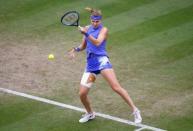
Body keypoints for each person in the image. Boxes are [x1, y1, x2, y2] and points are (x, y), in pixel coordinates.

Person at [68, 7, 142, 124]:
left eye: (97, 21)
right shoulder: (87, 28)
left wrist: (86, 33)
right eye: (93, 21)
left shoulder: (104, 30)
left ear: (100, 21)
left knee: (115, 87)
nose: (95, 23)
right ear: (91, 20)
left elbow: (97, 42)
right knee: (82, 94)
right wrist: (74, 49)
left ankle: (135, 110)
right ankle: (90, 113)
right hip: (91, 66)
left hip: (102, 62)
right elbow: (83, 46)